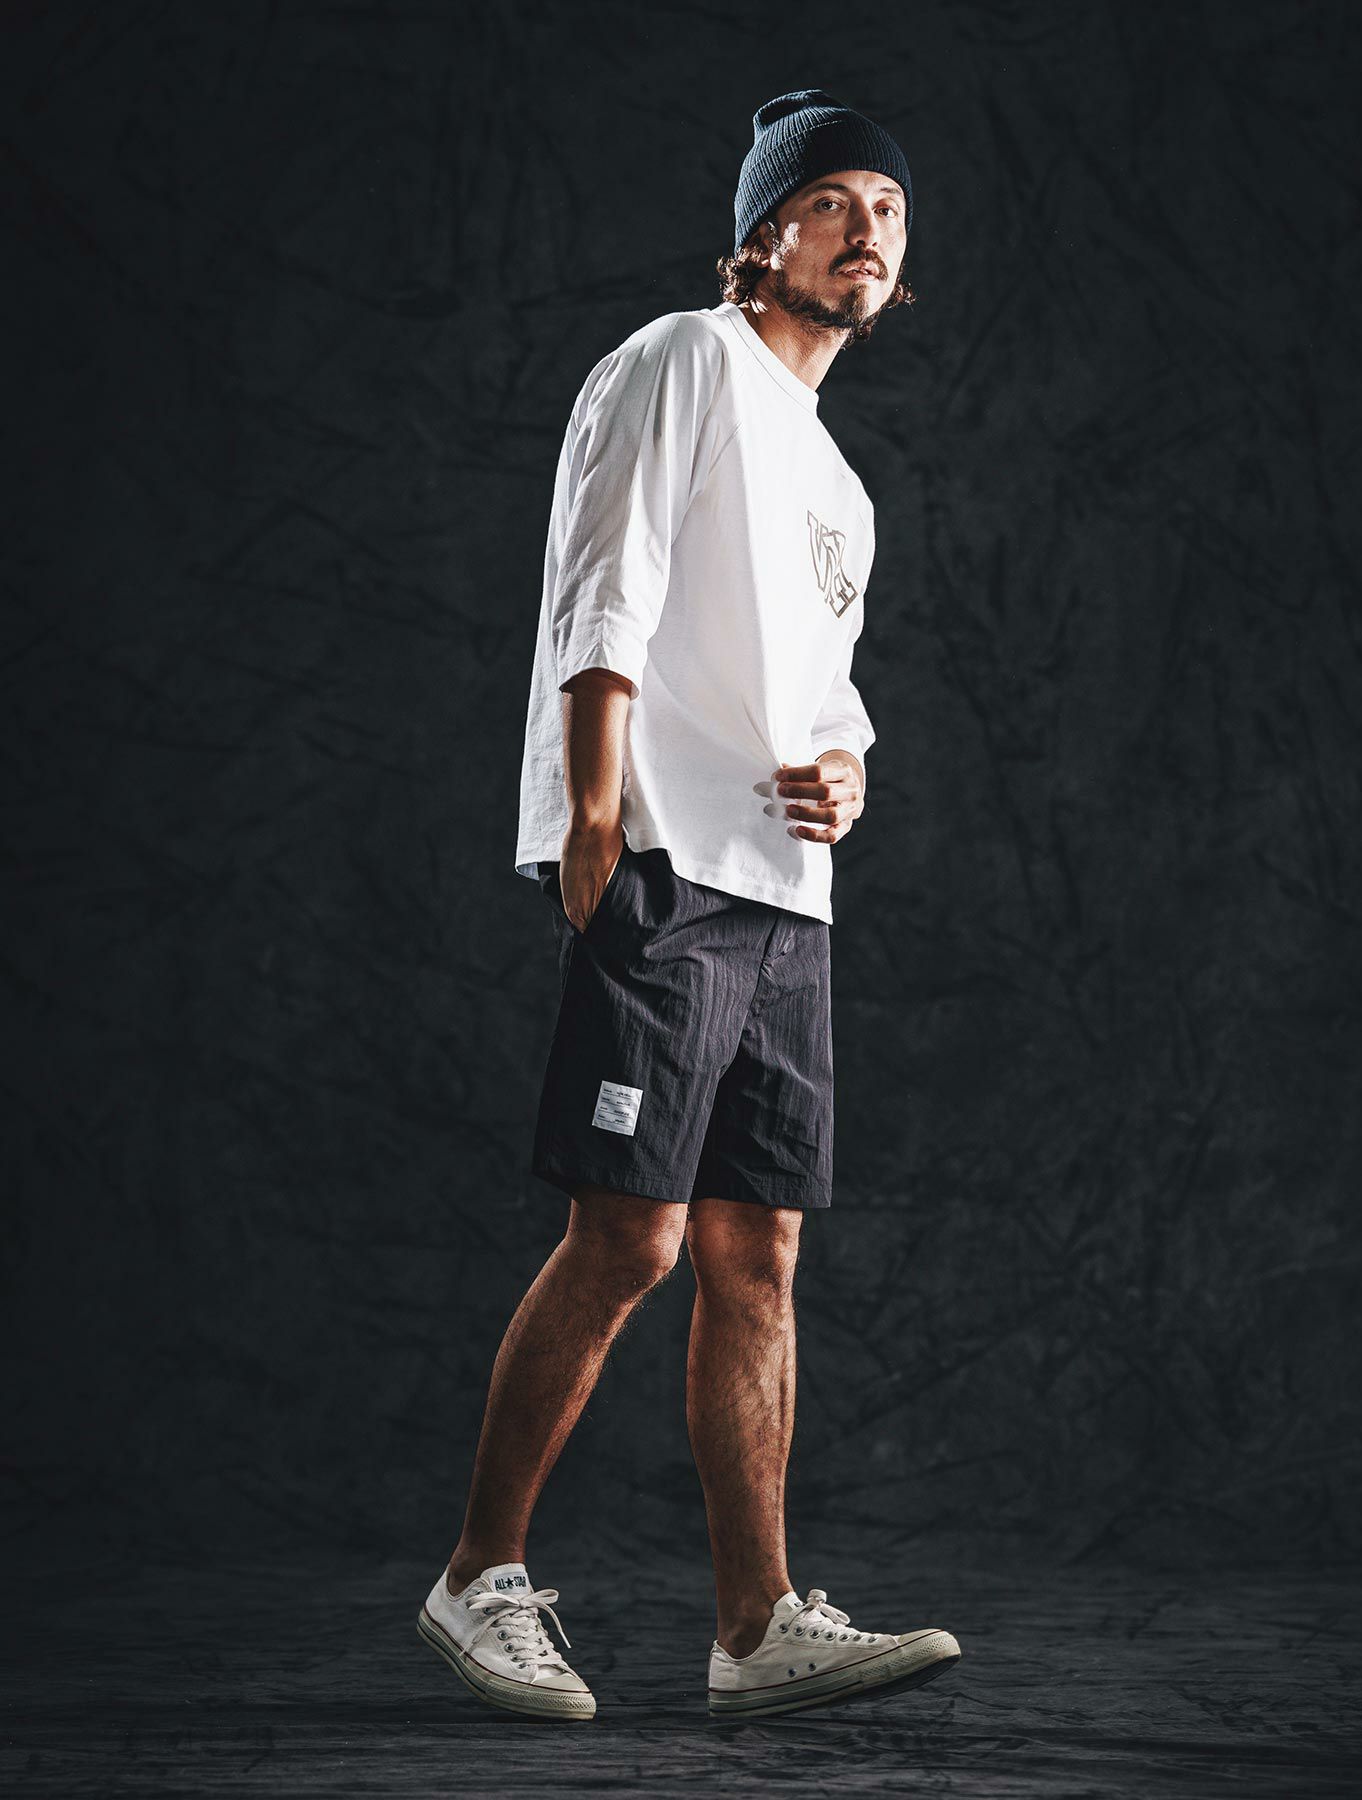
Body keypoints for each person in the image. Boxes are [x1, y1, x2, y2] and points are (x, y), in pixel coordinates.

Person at [417, 87, 961, 1722]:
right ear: (762, 237)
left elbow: (830, 693)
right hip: (665, 861)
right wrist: (593, 813)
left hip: (790, 898)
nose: (867, 227)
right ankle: (477, 1577)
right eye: (834, 200)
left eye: (889, 207)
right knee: (631, 1237)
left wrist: (850, 769)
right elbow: (609, 581)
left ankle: (755, 1626)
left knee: (758, 1258)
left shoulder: (843, 484)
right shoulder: (682, 360)